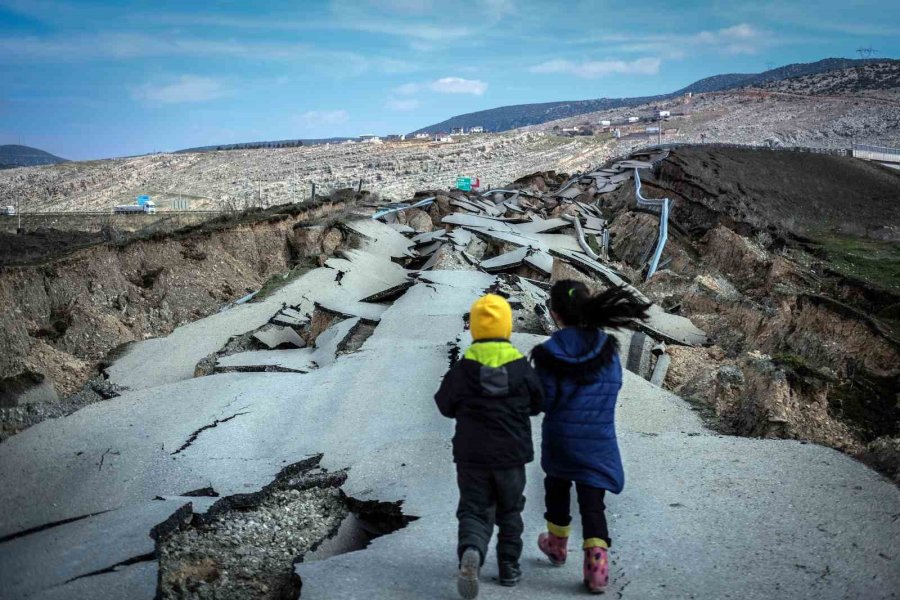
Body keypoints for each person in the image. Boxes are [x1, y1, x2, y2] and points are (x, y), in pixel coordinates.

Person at [531, 280, 650, 594]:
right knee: (592, 502)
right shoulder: (607, 349)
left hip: (559, 438)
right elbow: (614, 386)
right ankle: (596, 566)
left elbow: (543, 399)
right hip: (598, 437)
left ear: (555, 313)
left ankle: (556, 545)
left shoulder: (548, 353)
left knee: (556, 488)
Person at [435, 293, 545, 599]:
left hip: (472, 456)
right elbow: (540, 402)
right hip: (511, 455)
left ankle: (472, 551)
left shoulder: (463, 368)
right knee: (510, 511)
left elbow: (444, 405)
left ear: (474, 329)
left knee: (473, 509)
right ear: (507, 327)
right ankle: (509, 567)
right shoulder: (521, 368)